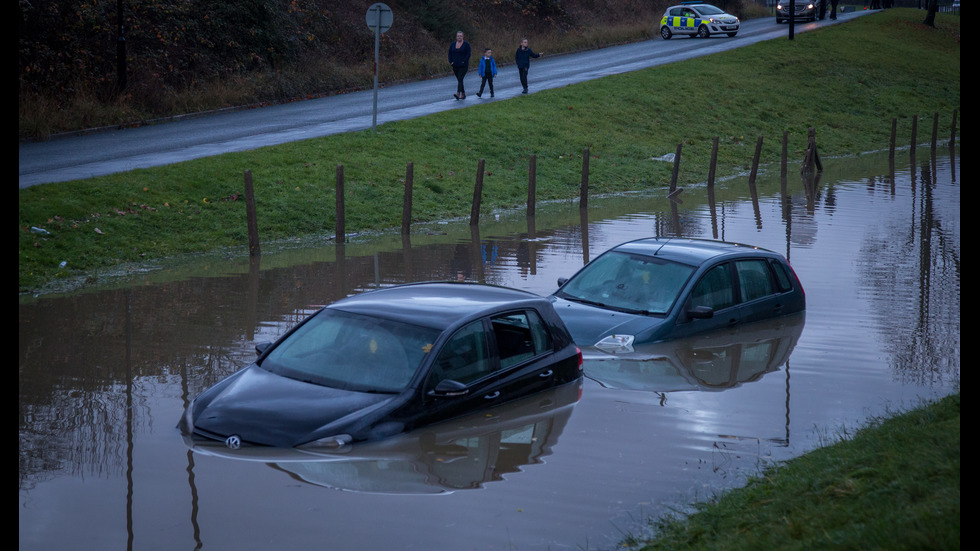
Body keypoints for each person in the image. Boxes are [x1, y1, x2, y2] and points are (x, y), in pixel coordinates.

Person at [448, 31, 471, 100]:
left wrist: (464, 61)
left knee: (460, 78)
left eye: (460, 36)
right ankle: (463, 94)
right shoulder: (452, 44)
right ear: (456, 37)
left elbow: (468, 54)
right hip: (455, 66)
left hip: (463, 66)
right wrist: (451, 62)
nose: (459, 37)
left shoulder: (466, 44)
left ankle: (458, 93)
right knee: (459, 80)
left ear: (463, 37)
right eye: (458, 36)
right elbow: (449, 54)